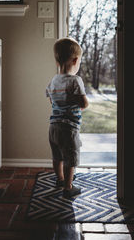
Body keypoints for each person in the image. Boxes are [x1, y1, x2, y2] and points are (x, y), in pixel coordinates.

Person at [46, 37, 89, 199]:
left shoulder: (53, 80)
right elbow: (84, 104)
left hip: (53, 126)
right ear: (75, 60)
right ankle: (68, 187)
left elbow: (51, 100)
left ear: (57, 61)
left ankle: (60, 179)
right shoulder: (75, 81)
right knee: (70, 158)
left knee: (57, 156)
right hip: (69, 128)